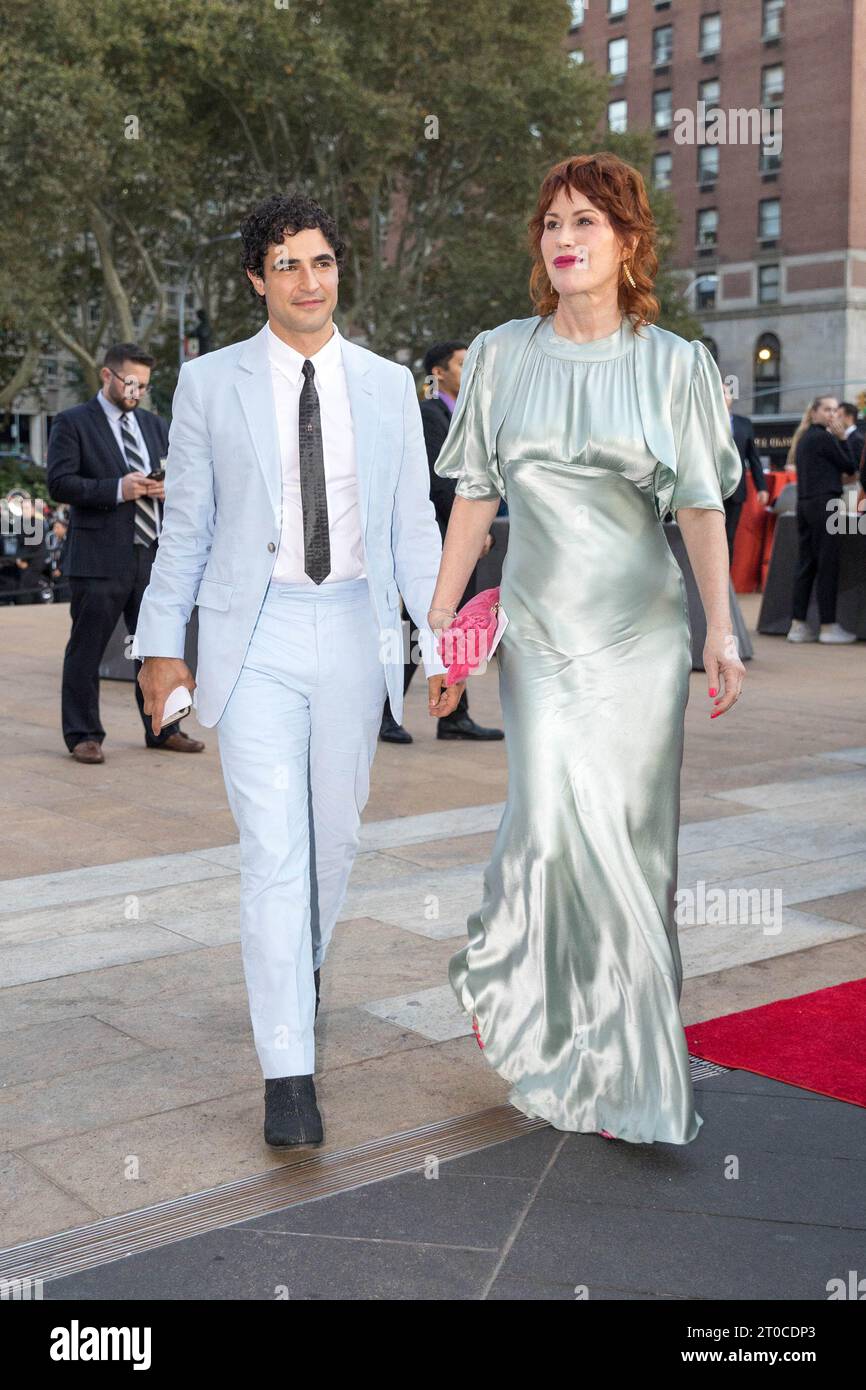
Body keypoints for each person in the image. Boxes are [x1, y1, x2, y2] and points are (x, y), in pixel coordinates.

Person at [428, 151, 746, 1145]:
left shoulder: (674, 364)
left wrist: (721, 632)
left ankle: (622, 1064)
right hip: (538, 633)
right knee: (553, 825)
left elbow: (699, 507)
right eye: (552, 223)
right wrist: (441, 637)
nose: (564, 239)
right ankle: (531, 1001)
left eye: (587, 223)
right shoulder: (499, 355)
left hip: (641, 634)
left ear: (627, 242)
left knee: (631, 845)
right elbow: (473, 499)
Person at [133, 193, 455, 1149]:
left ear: (338, 271)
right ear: (255, 280)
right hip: (257, 634)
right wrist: (159, 646)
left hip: (355, 631)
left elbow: (414, 527)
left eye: (320, 262)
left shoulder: (390, 384)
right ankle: (289, 1073)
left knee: (333, 844)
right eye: (286, 265)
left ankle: (301, 964)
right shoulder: (208, 384)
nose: (307, 282)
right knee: (272, 854)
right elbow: (186, 528)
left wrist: (442, 647)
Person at [45, 344, 205, 761]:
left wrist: (167, 487)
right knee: (87, 650)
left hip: (151, 557)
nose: (136, 392)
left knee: (156, 647)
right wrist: (120, 488)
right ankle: (83, 735)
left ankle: (164, 729)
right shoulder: (72, 422)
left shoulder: (155, 425)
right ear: (107, 376)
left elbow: (181, 474)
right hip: (98, 559)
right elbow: (60, 483)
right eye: (130, 383)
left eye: (144, 386)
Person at [379, 340, 504, 745]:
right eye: (462, 364)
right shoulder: (430, 413)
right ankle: (385, 710)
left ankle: (455, 714)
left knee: (459, 623)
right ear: (438, 372)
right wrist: (471, 527)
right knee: (421, 625)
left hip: (459, 536)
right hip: (438, 536)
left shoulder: (464, 413)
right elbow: (437, 479)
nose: (470, 371)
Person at [786, 396, 859, 644]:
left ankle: (798, 625)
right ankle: (828, 625)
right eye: (827, 409)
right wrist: (843, 440)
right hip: (826, 504)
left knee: (806, 563)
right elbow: (850, 467)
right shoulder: (824, 437)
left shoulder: (805, 438)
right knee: (828, 563)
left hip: (805, 503)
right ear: (814, 411)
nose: (832, 415)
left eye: (835, 410)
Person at [722, 381, 769, 565]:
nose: (721, 397)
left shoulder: (744, 424)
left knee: (729, 537)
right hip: (709, 490)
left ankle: (725, 586)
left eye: (725, 393)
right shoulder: (702, 422)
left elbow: (753, 458)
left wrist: (762, 487)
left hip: (736, 491)